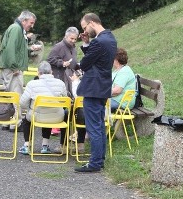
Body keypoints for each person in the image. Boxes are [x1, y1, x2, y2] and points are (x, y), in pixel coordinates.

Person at [75, 12, 117, 173]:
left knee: (93, 127)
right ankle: (99, 160)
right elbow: (96, 60)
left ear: (92, 23)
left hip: (93, 89)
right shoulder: (110, 38)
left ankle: (94, 163)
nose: (85, 31)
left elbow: (85, 64)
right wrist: (86, 44)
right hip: (103, 87)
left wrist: (87, 48)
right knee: (99, 126)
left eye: (85, 27)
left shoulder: (99, 41)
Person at [18, 61, 69, 155]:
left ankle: (26, 145)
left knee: (27, 119)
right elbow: (65, 100)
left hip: (36, 115)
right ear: (51, 72)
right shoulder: (60, 83)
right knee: (50, 113)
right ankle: (45, 146)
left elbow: (22, 102)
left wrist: (29, 108)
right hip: (57, 117)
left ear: (38, 72)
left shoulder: (32, 84)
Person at [0, 11, 37, 130]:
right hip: (13, 68)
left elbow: (16, 48)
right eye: (31, 23)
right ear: (24, 20)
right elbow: (10, 48)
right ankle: (16, 123)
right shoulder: (16, 28)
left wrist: (29, 49)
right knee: (16, 95)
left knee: (10, 94)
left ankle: (7, 122)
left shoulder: (16, 28)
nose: (32, 26)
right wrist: (14, 66)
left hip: (9, 66)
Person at [47, 27, 80, 96]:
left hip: (70, 78)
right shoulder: (59, 46)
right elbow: (50, 59)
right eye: (71, 38)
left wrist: (78, 66)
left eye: (75, 39)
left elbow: (73, 62)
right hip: (60, 77)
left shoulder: (73, 48)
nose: (73, 41)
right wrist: (62, 63)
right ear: (66, 37)